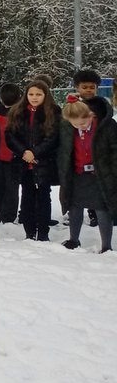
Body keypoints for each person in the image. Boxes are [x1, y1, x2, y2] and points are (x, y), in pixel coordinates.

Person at [5, 80, 61, 242]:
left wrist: (35, 153)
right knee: (27, 197)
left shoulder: (54, 112)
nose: (34, 97)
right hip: (23, 163)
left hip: (43, 162)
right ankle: (29, 232)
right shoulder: (17, 111)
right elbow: (10, 135)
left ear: (45, 95)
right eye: (31, 94)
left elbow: (53, 138)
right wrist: (23, 152)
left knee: (44, 197)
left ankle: (43, 233)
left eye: (38, 94)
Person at [58, 98, 115, 253]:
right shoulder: (66, 127)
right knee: (74, 206)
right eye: (74, 124)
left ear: (91, 116)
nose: (79, 127)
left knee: (102, 208)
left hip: (100, 174)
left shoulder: (106, 126)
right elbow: (63, 150)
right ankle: (74, 239)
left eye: (83, 123)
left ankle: (106, 246)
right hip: (77, 173)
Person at [70, 69, 104, 228]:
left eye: (92, 87)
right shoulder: (72, 104)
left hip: (96, 153)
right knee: (77, 192)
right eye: (85, 87)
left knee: (98, 190)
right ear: (78, 87)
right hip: (78, 155)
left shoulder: (101, 106)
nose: (89, 90)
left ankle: (96, 214)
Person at [0, 83, 23, 225]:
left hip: (13, 152)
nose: (7, 107)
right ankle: (1, 212)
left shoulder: (22, 107)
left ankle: (9, 215)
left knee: (12, 186)